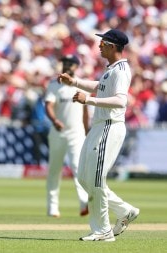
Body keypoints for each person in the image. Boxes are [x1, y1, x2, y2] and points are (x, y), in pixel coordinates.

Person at [59, 29, 139, 242]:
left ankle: (103, 231)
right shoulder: (111, 69)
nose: (99, 45)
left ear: (113, 46)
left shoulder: (121, 70)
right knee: (85, 178)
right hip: (99, 127)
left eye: (103, 42)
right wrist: (75, 82)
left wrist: (89, 100)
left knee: (95, 179)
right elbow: (100, 87)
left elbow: (121, 101)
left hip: (109, 126)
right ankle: (125, 211)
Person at [45, 55, 89, 218]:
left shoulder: (81, 84)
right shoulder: (54, 84)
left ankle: (85, 202)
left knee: (78, 167)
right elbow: (48, 105)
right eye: (65, 62)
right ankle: (52, 207)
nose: (67, 65)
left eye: (71, 63)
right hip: (57, 132)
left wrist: (87, 130)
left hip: (76, 132)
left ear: (76, 67)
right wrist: (55, 120)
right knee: (54, 169)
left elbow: (85, 112)